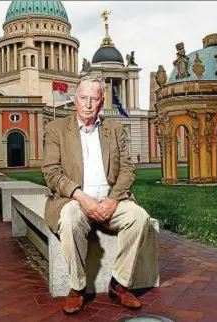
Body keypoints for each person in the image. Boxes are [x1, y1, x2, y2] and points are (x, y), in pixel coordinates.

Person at [42, 74, 151, 314]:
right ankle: (77, 287)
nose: (88, 104)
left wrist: (113, 200)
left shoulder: (115, 130)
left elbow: (127, 168)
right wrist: (82, 197)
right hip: (74, 199)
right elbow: (51, 172)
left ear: (102, 102)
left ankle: (119, 284)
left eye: (94, 99)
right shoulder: (56, 130)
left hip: (111, 199)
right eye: (83, 98)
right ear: (74, 99)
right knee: (70, 219)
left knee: (139, 217)